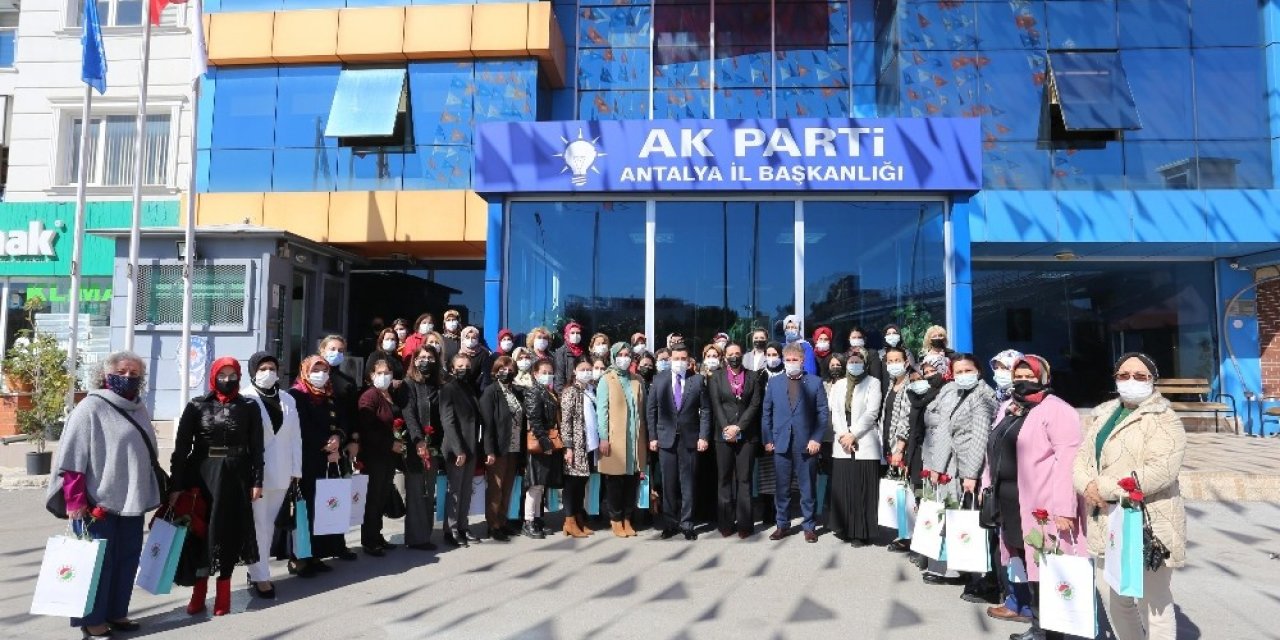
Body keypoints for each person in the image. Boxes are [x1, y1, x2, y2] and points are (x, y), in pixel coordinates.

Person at [47, 352, 160, 638]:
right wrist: (75, 501)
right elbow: (72, 459)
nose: (129, 377)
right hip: (97, 502)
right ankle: (92, 618)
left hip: (132, 499)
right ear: (106, 374)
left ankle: (116, 612)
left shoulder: (139, 408)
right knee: (97, 563)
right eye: (123, 371)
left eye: (135, 373)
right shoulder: (90, 408)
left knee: (127, 559)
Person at [1074, 353, 1186, 640]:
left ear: (1153, 380)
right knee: (1114, 595)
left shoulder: (1164, 418)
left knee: (1154, 601)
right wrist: (1086, 485)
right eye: (1124, 375)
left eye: (1140, 376)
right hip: (1106, 519)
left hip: (1147, 520)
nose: (1131, 381)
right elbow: (1082, 459)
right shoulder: (1102, 414)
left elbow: (1163, 470)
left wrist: (1105, 487)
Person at [983, 355, 1084, 638]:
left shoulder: (1058, 410)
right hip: (1009, 501)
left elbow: (1068, 462)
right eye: (1019, 376)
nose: (1023, 381)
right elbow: (993, 448)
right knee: (1023, 561)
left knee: (1045, 566)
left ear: (1044, 377)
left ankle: (1050, 631)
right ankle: (1037, 622)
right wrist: (986, 484)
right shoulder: (1009, 407)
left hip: (1042, 505)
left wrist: (1065, 508)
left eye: (1030, 376)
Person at [172, 357, 265, 617]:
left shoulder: (248, 406)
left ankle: (223, 593)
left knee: (228, 533)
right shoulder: (197, 406)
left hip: (236, 476)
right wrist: (176, 485)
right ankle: (198, 593)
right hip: (201, 475)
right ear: (213, 376)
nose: (227, 379)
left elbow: (257, 448)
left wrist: (257, 480)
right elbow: (181, 449)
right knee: (201, 533)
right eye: (222, 374)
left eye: (232, 374)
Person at [921, 353, 997, 584]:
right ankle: (958, 567)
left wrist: (971, 474)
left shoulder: (984, 396)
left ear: (978, 371)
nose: (963, 376)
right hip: (953, 466)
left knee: (971, 520)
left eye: (967, 371)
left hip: (970, 466)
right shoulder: (956, 393)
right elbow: (944, 429)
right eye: (958, 372)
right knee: (956, 516)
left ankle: (977, 573)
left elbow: (980, 437)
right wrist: (937, 467)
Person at [287, 356, 358, 575]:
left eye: (324, 369)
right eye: (315, 369)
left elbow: (341, 421)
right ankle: (299, 559)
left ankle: (315, 554)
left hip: (329, 460)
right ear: (305, 370)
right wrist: (324, 444)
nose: (320, 374)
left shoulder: (329, 395)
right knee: (303, 510)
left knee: (322, 509)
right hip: (306, 460)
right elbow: (301, 426)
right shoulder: (296, 395)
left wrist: (338, 438)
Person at [242, 352, 301, 599]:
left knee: (268, 525)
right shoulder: (245, 398)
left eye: (272, 368)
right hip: (256, 474)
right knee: (259, 526)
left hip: (282, 472)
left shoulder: (288, 399)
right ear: (254, 370)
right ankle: (260, 576)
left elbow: (295, 437)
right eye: (263, 368)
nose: (269, 372)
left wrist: (296, 470)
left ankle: (257, 569)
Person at [760, 343, 830, 543]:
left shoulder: (815, 383)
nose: (791, 363)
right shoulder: (774, 384)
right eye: (788, 360)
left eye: (795, 360)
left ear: (802, 361)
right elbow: (767, 414)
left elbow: (822, 414)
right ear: (783, 360)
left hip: (806, 444)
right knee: (781, 488)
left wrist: (816, 438)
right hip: (780, 442)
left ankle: (809, 526)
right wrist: (768, 439)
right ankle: (782, 525)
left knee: (807, 487)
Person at [646, 343, 711, 540]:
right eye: (676, 359)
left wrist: (703, 436)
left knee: (688, 483)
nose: (680, 362)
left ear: (689, 361)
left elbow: (706, 410)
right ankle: (670, 523)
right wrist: (653, 437)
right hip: (665, 439)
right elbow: (651, 410)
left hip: (690, 439)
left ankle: (687, 524)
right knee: (668, 484)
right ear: (670, 359)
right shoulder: (659, 380)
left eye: (683, 359)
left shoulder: (698, 380)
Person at [827, 349, 883, 547]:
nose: (854, 363)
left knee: (862, 488)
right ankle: (844, 527)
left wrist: (853, 434)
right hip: (843, 441)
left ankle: (861, 532)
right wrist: (843, 434)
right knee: (845, 486)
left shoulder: (873, 382)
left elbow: (872, 412)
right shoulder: (839, 385)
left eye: (858, 360)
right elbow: (834, 413)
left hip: (864, 440)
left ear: (864, 363)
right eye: (851, 360)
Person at [707, 341, 762, 538]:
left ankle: (745, 524)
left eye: (738, 353)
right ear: (725, 357)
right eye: (730, 354)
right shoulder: (716, 377)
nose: (734, 356)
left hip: (747, 436)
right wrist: (727, 428)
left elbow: (755, 405)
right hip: (723, 436)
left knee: (744, 480)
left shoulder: (753, 377)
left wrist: (739, 427)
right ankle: (725, 523)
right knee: (724, 480)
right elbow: (716, 404)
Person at [597, 343, 648, 538]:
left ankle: (628, 517)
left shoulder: (637, 380)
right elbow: (602, 411)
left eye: (628, 355)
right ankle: (616, 519)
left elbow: (642, 410)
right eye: (621, 354)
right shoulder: (606, 379)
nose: (625, 358)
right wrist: (604, 437)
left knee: (632, 480)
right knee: (615, 482)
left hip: (635, 438)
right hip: (615, 439)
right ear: (613, 356)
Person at [356, 359, 404, 556]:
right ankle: (369, 540)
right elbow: (367, 428)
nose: (384, 376)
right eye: (380, 373)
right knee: (373, 498)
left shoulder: (389, 395)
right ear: (371, 375)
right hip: (375, 455)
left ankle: (377, 535)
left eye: (388, 372)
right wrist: (389, 443)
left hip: (388, 456)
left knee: (382, 495)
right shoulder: (369, 396)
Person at [480, 355, 526, 542]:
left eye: (509, 369)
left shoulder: (516, 391)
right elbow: (487, 424)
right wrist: (489, 450)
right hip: (498, 448)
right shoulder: (490, 392)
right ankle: (493, 525)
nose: (506, 372)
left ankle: (502, 521)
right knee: (496, 487)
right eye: (502, 369)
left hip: (514, 447)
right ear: (495, 371)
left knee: (508, 487)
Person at [402, 345, 444, 550]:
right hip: (416, 446)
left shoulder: (437, 385)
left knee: (429, 490)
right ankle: (416, 538)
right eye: (422, 357)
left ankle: (424, 534)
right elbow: (408, 413)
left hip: (435, 447)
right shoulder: (409, 384)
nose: (426, 360)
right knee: (417, 491)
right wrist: (418, 440)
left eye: (430, 357)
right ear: (415, 360)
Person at [440, 353, 484, 547]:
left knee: (466, 490)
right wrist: (458, 450)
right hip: (456, 448)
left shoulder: (469, 388)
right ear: (452, 368)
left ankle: (463, 526)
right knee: (455, 491)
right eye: (459, 365)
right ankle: (451, 529)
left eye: (467, 365)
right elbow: (448, 421)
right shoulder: (448, 389)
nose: (464, 369)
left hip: (471, 446)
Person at [522, 359, 565, 538]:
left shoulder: (549, 392)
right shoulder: (534, 391)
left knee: (541, 485)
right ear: (535, 374)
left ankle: (538, 518)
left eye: (550, 372)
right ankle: (529, 520)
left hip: (548, 441)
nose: (547, 375)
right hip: (540, 443)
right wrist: (545, 442)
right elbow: (535, 420)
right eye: (544, 372)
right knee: (535, 485)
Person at [558, 358, 598, 538]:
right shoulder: (570, 392)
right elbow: (565, 421)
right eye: (583, 369)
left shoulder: (591, 390)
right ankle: (569, 521)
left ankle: (579, 518)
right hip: (575, 445)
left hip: (590, 445)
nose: (587, 372)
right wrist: (568, 447)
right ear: (574, 371)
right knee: (572, 484)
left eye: (589, 369)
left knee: (582, 483)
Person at [320, 335, 360, 441]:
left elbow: (352, 413)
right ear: (322, 350)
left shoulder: (348, 382)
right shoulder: (310, 377)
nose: (336, 353)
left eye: (340, 350)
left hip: (341, 437)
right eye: (332, 349)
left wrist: (354, 440)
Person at [366, 326, 407, 393]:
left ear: (396, 342)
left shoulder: (398, 358)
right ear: (381, 341)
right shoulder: (375, 355)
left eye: (393, 339)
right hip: (379, 392)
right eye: (387, 339)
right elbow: (368, 375)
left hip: (397, 394)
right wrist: (390, 383)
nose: (390, 341)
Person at [457, 325, 492, 391]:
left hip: (477, 391)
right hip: (461, 390)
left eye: (473, 338)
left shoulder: (483, 354)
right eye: (467, 337)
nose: (470, 340)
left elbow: (485, 376)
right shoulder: (459, 353)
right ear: (463, 339)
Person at [553, 322, 586, 390]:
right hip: (568, 393)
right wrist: (563, 395)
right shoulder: (561, 352)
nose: (576, 335)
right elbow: (559, 377)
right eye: (572, 333)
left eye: (578, 333)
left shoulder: (582, 352)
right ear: (567, 334)